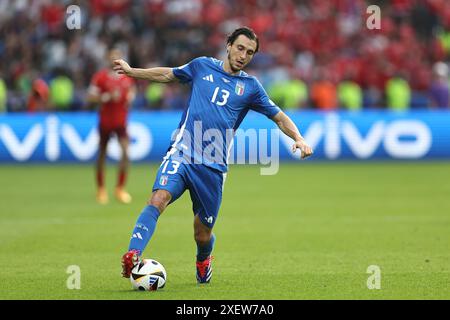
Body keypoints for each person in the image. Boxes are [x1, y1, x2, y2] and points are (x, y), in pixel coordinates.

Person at [114, 27, 313, 283]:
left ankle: (203, 259)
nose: (243, 55)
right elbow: (168, 74)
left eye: (250, 52)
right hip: (182, 153)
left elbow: (279, 117)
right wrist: (132, 72)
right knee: (158, 199)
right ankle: (133, 254)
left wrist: (298, 137)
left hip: (212, 167)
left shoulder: (251, 87)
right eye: (240, 48)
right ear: (228, 45)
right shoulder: (202, 66)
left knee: (202, 233)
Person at [88, 48, 136, 205]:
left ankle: (120, 189)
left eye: (117, 57)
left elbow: (131, 92)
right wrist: (106, 97)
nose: (114, 59)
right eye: (112, 57)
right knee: (102, 154)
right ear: (107, 59)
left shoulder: (126, 78)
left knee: (126, 153)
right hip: (105, 122)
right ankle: (101, 189)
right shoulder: (100, 77)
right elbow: (90, 97)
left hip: (121, 122)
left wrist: (130, 97)